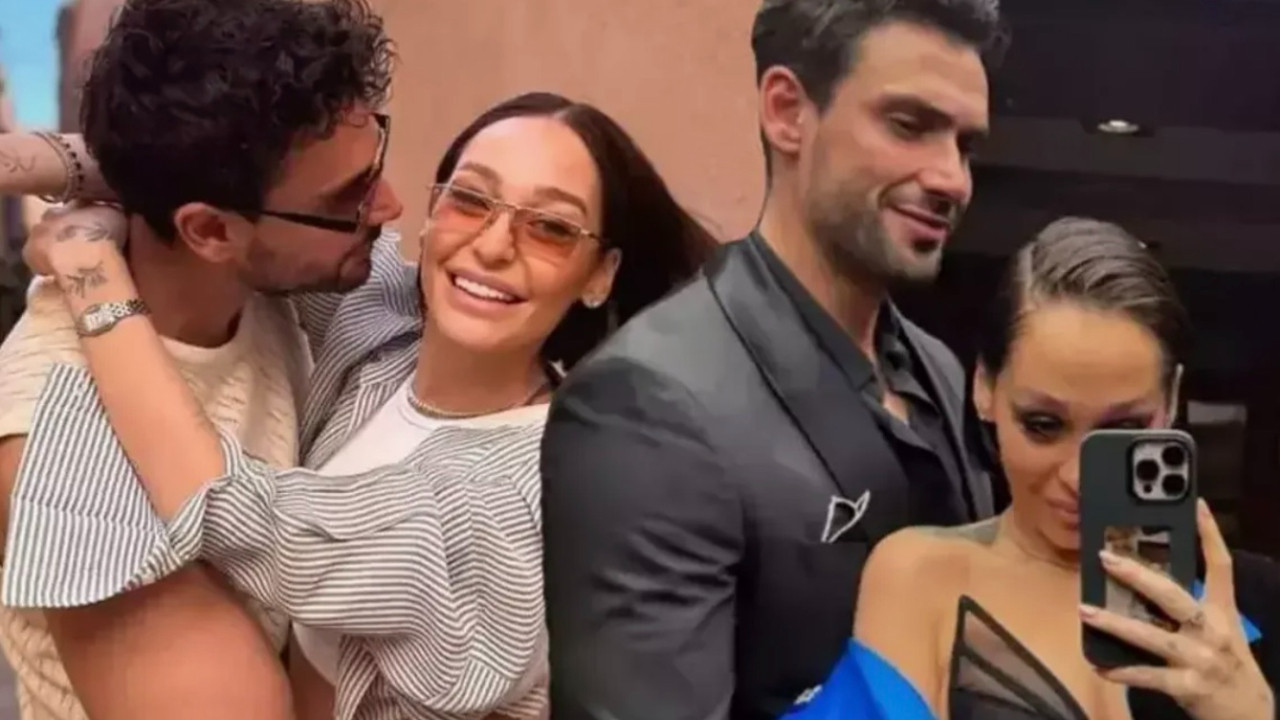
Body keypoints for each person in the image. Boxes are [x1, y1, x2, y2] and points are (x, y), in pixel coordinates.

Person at [7, 90, 718, 720]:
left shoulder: (525, 495)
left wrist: (88, 266)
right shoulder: (385, 327)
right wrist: (36, 163)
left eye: (551, 228)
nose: (495, 246)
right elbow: (233, 185)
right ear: (433, 215)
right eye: (471, 199)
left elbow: (229, 508)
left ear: (600, 275)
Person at [538, 1, 1007, 718]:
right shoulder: (647, 403)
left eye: (964, 144)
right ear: (787, 111)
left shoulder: (939, 369)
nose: (951, 178)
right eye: (909, 125)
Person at [0, 1, 397, 719]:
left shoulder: (270, 271)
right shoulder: (50, 441)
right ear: (210, 231)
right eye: (350, 197)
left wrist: (73, 171)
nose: (390, 207)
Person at [796, 218, 1279, 720]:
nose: (1079, 478)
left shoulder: (1258, 600)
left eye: (1123, 431)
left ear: (1172, 399)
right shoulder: (924, 577)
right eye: (1043, 425)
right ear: (984, 387)